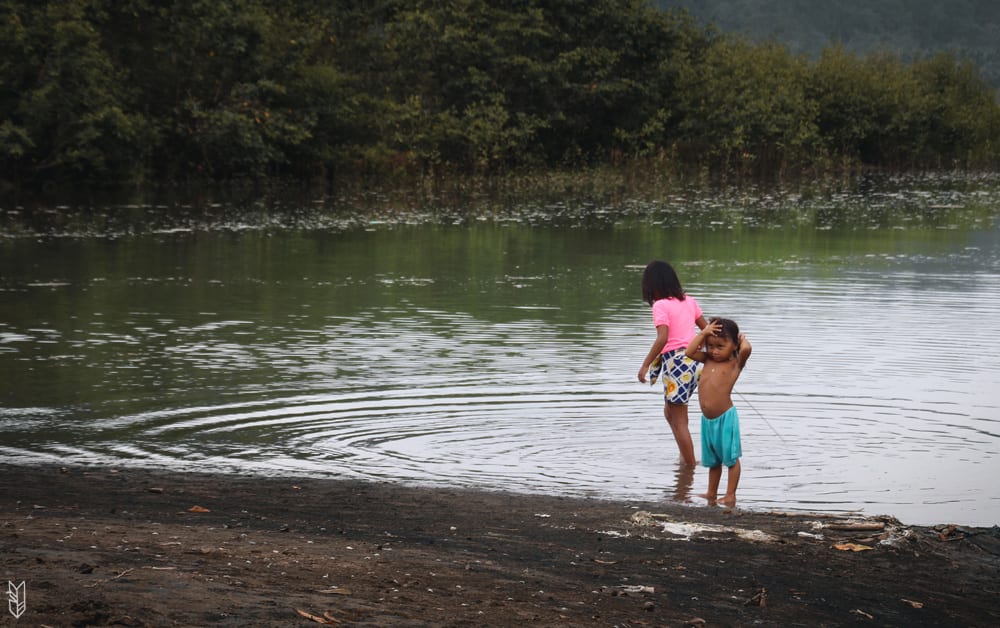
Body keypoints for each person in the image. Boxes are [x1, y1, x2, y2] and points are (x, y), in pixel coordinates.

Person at [637, 260, 708, 467]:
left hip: (677, 364)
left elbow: (662, 338)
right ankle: (683, 458)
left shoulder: (660, 305)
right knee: (670, 412)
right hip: (695, 361)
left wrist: (645, 365)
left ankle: (690, 467)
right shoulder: (688, 300)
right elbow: (706, 329)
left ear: (651, 285)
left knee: (679, 420)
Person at [684, 318, 752, 506]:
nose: (714, 351)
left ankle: (730, 494)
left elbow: (746, 349)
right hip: (708, 421)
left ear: (733, 346)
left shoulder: (735, 364)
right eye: (711, 346)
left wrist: (741, 339)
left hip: (725, 418)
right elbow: (689, 351)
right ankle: (711, 493)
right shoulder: (706, 358)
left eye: (720, 346)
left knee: (730, 458)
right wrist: (704, 332)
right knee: (713, 460)